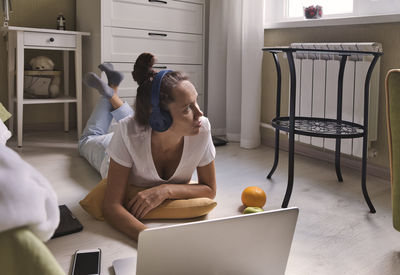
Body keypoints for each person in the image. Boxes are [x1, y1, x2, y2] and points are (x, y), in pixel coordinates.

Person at [79, 53, 216, 240]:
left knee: (132, 123)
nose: (200, 113)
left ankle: (112, 91)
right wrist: (152, 241)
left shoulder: (202, 127)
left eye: (196, 102)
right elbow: (111, 207)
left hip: (143, 130)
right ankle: (109, 93)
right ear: (160, 118)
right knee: (88, 139)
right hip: (111, 153)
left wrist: (166, 190)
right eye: (187, 108)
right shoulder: (127, 131)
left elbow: (210, 189)